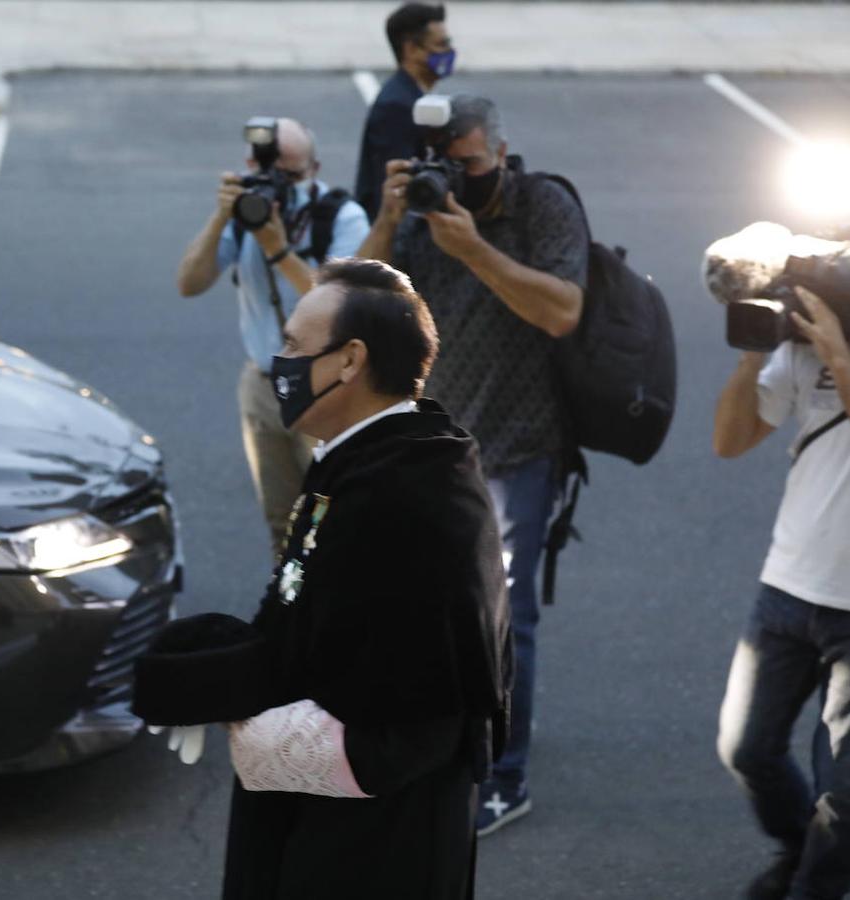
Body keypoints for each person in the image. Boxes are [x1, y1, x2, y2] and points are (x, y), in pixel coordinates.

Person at [218, 258, 512, 900]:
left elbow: (415, 714)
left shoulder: (415, 495)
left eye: (295, 345)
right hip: (328, 817)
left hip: (373, 841)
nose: (281, 362)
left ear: (350, 361)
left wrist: (246, 716)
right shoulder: (363, 463)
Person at [357, 93, 587, 836]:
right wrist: (393, 217)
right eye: (440, 166)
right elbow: (351, 300)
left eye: (468, 164)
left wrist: (474, 251)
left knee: (504, 619)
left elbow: (560, 311)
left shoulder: (543, 203)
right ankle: (447, 738)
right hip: (435, 447)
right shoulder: (424, 212)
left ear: (500, 149)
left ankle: (506, 775)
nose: (456, 179)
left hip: (520, 445)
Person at [712, 211, 850, 900]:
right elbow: (731, 441)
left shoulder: (836, 350)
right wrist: (751, 355)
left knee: (843, 792)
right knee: (746, 749)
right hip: (788, 589)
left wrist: (840, 360)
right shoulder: (805, 348)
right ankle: (799, 850)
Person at [176, 117, 368, 551]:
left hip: (326, 390)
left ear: (315, 169)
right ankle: (291, 610)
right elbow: (189, 283)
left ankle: (338, 615)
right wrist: (221, 216)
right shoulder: (243, 215)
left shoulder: (342, 217)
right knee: (283, 524)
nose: (278, 186)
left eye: (291, 175)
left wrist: (278, 249)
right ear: (249, 166)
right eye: (269, 174)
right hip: (263, 388)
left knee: (335, 522)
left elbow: (344, 304)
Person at [354, 2, 456, 222]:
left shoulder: (411, 96)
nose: (449, 52)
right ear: (411, 49)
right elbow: (392, 192)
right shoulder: (398, 107)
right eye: (441, 44)